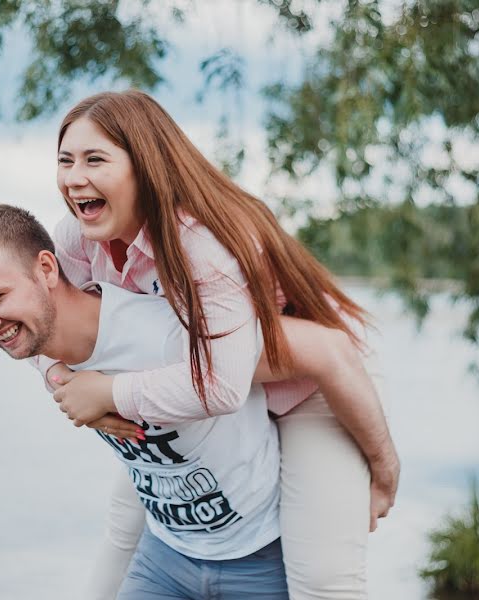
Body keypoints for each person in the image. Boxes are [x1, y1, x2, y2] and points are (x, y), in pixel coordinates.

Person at [37, 90, 399, 599]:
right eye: (65, 160)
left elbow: (254, 376)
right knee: (124, 526)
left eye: (95, 159)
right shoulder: (77, 239)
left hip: (308, 384)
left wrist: (383, 470)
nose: (74, 177)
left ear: (146, 165)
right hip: (203, 386)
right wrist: (60, 380)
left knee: (323, 578)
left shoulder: (201, 244)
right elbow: (45, 316)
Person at [0, 204, 289, 599]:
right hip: (166, 553)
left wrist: (374, 466)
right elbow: (39, 349)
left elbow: (302, 359)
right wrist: (58, 378)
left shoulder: (166, 334)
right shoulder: (42, 342)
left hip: (258, 553)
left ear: (47, 269)